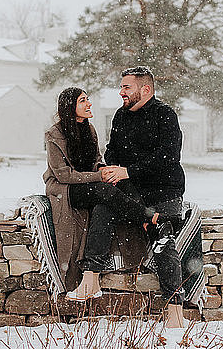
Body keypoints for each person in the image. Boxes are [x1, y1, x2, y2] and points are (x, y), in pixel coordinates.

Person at [70, 66, 187, 328]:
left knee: (164, 237)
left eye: (126, 87)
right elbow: (113, 151)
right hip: (130, 190)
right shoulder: (120, 116)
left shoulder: (165, 115)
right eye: (121, 86)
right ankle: (90, 278)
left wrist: (128, 171)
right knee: (103, 207)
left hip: (163, 190)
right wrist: (109, 168)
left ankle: (175, 313)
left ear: (145, 89)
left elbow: (168, 158)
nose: (121, 91)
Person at [43, 87, 165, 301]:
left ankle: (91, 279)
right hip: (66, 189)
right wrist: (98, 177)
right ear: (70, 107)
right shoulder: (54, 135)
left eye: (88, 99)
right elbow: (63, 175)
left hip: (90, 184)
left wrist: (104, 170)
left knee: (108, 199)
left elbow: (96, 160)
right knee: (105, 190)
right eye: (83, 101)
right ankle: (147, 217)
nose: (89, 104)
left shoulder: (89, 130)